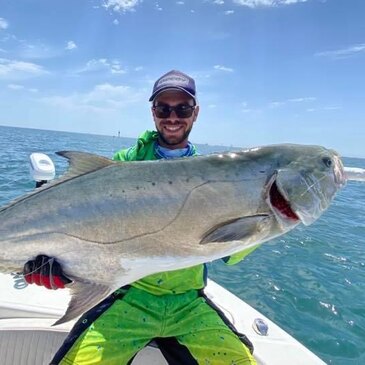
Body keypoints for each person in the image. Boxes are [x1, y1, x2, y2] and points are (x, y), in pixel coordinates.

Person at [23, 70, 257, 365]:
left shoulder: (215, 175)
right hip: (128, 296)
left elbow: (232, 255)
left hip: (189, 304)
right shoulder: (122, 164)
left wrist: (265, 218)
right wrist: (59, 269)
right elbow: (82, 232)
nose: (172, 117)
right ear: (153, 112)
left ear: (195, 113)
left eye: (182, 108)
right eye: (164, 108)